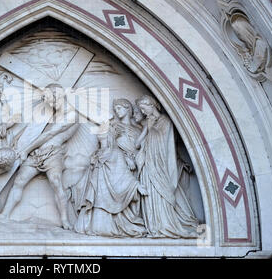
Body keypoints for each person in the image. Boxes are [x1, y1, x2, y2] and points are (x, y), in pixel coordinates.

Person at [0, 84, 79, 230]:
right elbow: (29, 126)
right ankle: (5, 214)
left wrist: (26, 150)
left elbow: (49, 134)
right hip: (36, 153)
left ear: (57, 94)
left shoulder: (71, 114)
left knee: (56, 182)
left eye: (49, 98)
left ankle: (65, 220)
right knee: (19, 181)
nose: (48, 102)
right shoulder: (48, 112)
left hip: (53, 153)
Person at [73, 100, 147, 237]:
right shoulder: (113, 127)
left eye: (119, 108)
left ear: (128, 109)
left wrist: (133, 159)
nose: (117, 111)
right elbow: (108, 145)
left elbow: (141, 147)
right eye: (115, 108)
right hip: (115, 165)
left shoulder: (137, 130)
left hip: (132, 167)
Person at [135, 95, 198, 238]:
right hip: (147, 165)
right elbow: (137, 144)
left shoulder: (165, 122)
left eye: (144, 109)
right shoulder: (148, 123)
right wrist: (147, 127)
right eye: (141, 110)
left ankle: (165, 225)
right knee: (150, 196)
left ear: (151, 105)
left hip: (160, 166)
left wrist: (151, 128)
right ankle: (155, 227)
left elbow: (165, 143)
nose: (143, 113)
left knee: (161, 195)